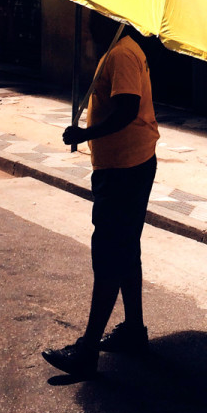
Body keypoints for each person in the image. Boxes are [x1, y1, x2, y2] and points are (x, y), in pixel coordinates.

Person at [42, 20, 159, 378]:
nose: (88, 21)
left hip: (125, 166)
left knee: (109, 253)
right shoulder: (119, 50)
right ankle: (134, 331)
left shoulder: (122, 53)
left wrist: (86, 132)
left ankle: (87, 351)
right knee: (125, 249)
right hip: (125, 163)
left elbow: (126, 108)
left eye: (93, 14)